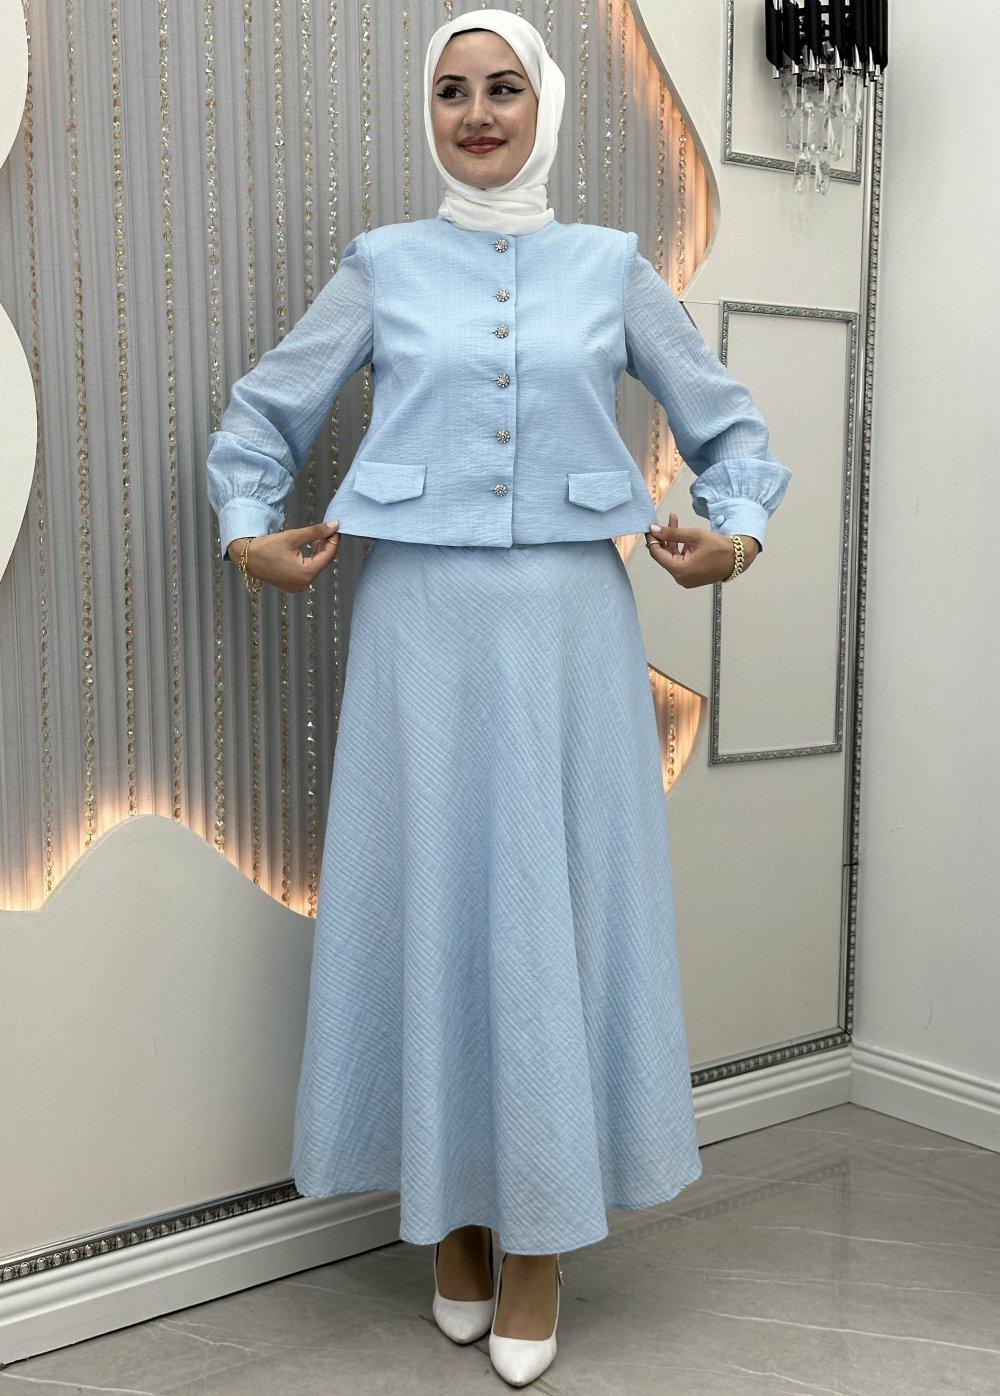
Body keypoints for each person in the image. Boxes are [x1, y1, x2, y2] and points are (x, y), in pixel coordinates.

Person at [206, 10, 791, 1387]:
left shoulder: (611, 268)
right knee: (435, 902)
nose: (477, 113)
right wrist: (246, 529)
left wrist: (739, 531)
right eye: (455, 91)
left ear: (547, 106)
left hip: (570, 630)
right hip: (417, 629)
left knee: (550, 908)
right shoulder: (382, 265)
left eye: (505, 88)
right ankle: (453, 1220)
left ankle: (538, 1242)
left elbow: (731, 427)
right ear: (431, 112)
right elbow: (262, 417)